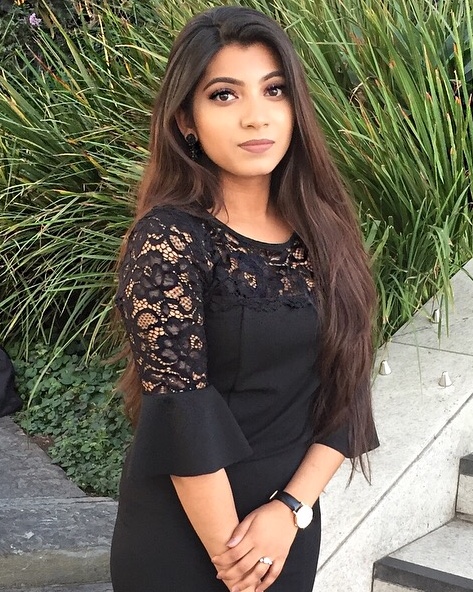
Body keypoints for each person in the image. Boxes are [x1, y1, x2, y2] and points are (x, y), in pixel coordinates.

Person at [110, 5, 379, 592]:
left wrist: (291, 509)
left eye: (274, 90)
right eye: (225, 95)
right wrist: (237, 562)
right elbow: (180, 406)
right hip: (189, 535)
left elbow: (348, 386)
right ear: (186, 120)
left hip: (287, 528)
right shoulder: (170, 238)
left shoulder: (325, 231)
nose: (256, 116)